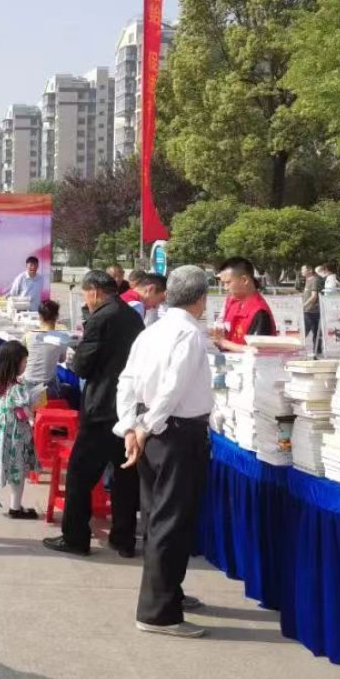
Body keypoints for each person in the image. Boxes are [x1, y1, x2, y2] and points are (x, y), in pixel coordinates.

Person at [116, 265, 215, 638]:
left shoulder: (153, 331)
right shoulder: (187, 334)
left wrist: (131, 425)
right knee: (170, 521)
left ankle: (168, 592)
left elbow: (127, 381)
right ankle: (159, 613)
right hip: (174, 434)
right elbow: (172, 389)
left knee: (157, 517)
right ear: (201, 298)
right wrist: (142, 427)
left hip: (155, 431)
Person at [43, 270, 144, 558]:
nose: (86, 300)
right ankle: (123, 539)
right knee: (125, 477)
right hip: (128, 408)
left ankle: (75, 536)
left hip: (101, 407)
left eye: (85, 294)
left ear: (95, 292)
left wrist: (77, 354)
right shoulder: (132, 316)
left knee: (79, 474)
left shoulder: (100, 318)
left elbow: (81, 367)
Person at [0, 340, 43, 519]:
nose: (26, 365)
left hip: (0, 435)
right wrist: (34, 407)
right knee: (18, 471)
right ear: (14, 364)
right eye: (24, 362)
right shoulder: (17, 389)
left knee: (6, 466)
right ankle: (15, 508)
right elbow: (23, 413)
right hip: (15, 437)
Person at [214, 257, 274, 352]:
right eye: (223, 283)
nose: (225, 288)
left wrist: (224, 343)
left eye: (228, 282)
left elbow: (256, 351)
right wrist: (220, 337)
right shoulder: (231, 301)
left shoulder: (260, 312)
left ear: (244, 280)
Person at [22, 299, 69, 392]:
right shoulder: (63, 337)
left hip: (28, 384)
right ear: (57, 316)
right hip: (48, 387)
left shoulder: (29, 335)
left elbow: (24, 356)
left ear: (40, 317)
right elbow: (62, 360)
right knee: (66, 386)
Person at [302, 264, 324, 356]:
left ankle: (317, 350)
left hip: (312, 310)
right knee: (311, 331)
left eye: (303, 270)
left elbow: (314, 296)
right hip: (308, 310)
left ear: (309, 271)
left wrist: (303, 305)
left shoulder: (314, 280)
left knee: (307, 331)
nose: (302, 272)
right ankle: (317, 350)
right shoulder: (308, 280)